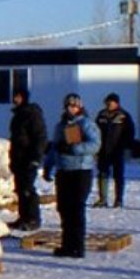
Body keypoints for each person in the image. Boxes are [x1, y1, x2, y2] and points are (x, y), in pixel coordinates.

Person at [43, 93, 100, 258]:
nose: (71, 108)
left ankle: (78, 246)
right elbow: (54, 147)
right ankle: (67, 245)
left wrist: (75, 149)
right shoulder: (61, 125)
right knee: (64, 209)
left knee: (76, 209)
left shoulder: (86, 124)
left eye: (74, 106)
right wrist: (48, 166)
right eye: (69, 105)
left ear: (80, 107)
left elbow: (95, 144)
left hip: (80, 171)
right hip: (63, 171)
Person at [7, 87, 48, 231]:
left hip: (28, 157)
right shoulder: (18, 115)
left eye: (17, 96)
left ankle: (33, 218)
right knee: (20, 189)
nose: (14, 99)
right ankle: (23, 217)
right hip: (18, 157)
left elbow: (40, 137)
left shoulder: (32, 114)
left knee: (28, 189)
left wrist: (36, 157)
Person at [93, 93, 135, 208]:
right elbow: (95, 131)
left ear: (116, 103)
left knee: (118, 176)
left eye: (110, 102)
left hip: (117, 150)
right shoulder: (101, 115)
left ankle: (119, 200)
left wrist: (125, 146)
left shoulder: (123, 116)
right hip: (103, 150)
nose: (108, 104)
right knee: (102, 174)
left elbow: (130, 132)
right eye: (107, 102)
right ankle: (103, 199)